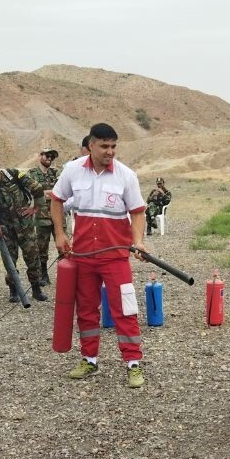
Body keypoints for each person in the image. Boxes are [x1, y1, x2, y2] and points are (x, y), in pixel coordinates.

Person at [50, 122, 148, 388]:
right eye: (104, 146)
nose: (110, 151)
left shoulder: (126, 176)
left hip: (115, 256)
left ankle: (133, 363)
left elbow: (138, 211)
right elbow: (57, 200)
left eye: (114, 146)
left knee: (125, 309)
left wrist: (137, 242)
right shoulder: (72, 170)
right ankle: (89, 359)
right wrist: (60, 234)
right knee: (86, 310)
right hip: (82, 256)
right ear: (90, 146)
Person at [0, 159, 48, 302]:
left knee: (32, 257)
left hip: (24, 226)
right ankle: (13, 290)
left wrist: (35, 208)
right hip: (6, 229)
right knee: (10, 260)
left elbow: (37, 188)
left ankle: (36, 289)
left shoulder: (14, 174)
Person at [25, 147, 60, 285]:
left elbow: (60, 192)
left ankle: (65, 273)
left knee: (62, 245)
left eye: (52, 156)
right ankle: (43, 274)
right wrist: (49, 193)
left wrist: (45, 192)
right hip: (41, 216)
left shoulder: (55, 173)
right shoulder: (32, 174)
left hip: (57, 214)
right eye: (47, 155)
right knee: (41, 247)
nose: (49, 158)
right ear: (40, 156)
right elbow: (32, 191)